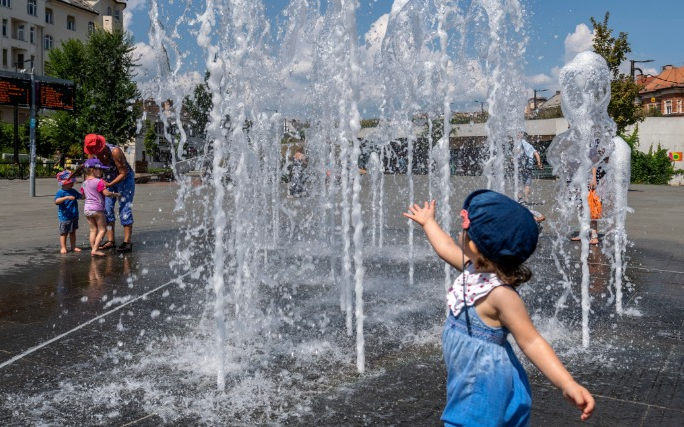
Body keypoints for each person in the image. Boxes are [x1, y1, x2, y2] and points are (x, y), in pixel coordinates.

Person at [403, 189, 594, 426]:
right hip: (469, 375)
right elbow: (445, 248)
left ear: (475, 244)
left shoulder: (500, 295)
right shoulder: (473, 268)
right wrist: (428, 222)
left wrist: (567, 383)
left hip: (484, 381)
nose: (459, 233)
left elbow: (531, 341)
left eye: (464, 230)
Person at [81, 134, 135, 252]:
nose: (96, 153)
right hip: (108, 179)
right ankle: (111, 241)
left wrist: (110, 185)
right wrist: (88, 186)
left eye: (97, 150)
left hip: (125, 180)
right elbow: (89, 171)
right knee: (107, 208)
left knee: (124, 208)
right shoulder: (92, 153)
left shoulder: (115, 152)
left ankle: (127, 242)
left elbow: (123, 172)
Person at [80, 158, 120, 257]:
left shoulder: (84, 183)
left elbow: (83, 196)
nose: (102, 171)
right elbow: (106, 193)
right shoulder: (99, 182)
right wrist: (115, 194)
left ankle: (93, 248)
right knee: (102, 230)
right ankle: (95, 250)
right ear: (93, 170)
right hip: (97, 209)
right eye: (100, 169)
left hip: (87, 209)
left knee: (93, 230)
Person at [54, 170, 83, 254]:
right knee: (64, 233)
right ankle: (63, 247)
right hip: (64, 216)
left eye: (72, 182)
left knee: (73, 232)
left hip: (74, 215)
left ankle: (73, 246)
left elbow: (81, 196)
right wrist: (66, 198)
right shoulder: (60, 192)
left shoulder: (73, 191)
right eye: (70, 182)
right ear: (64, 183)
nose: (72, 184)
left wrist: (85, 190)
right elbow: (56, 201)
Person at [516, 132, 542, 204]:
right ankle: (526, 198)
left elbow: (517, 151)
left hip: (520, 166)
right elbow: (536, 154)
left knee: (519, 182)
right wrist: (539, 163)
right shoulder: (529, 145)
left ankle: (520, 198)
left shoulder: (520, 143)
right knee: (527, 183)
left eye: (518, 134)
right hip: (528, 167)